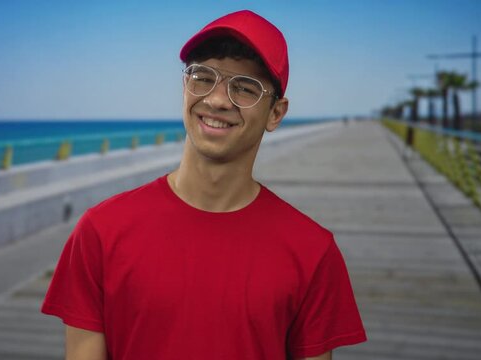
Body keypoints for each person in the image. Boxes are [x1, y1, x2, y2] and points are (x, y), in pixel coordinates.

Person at [42, 10, 366, 360]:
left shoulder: (312, 252)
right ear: (185, 87)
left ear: (276, 113)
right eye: (202, 77)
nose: (216, 100)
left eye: (245, 88)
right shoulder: (100, 232)